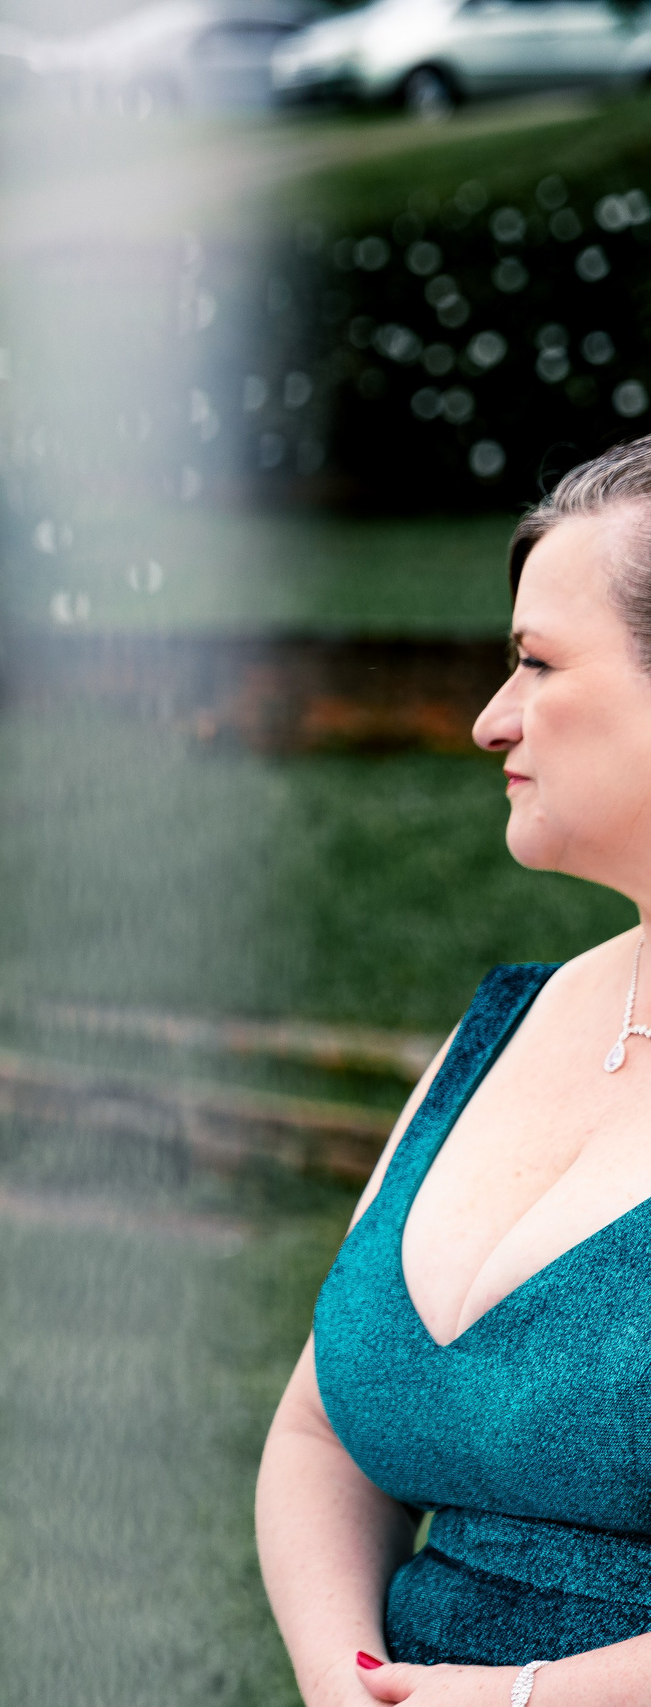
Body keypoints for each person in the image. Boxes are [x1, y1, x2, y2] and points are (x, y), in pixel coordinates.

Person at [257, 434, 651, 1706]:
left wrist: (522, 1701)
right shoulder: (513, 1025)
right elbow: (324, 1431)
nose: (490, 720)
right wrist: (344, 1678)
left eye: (536, 664)